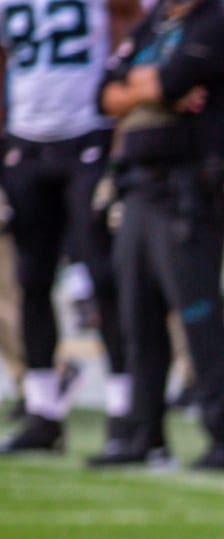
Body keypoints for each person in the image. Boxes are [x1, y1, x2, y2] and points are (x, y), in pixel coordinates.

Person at [88, 0, 224, 470]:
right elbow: (104, 94)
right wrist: (149, 90)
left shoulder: (215, 24)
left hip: (189, 191)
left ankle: (223, 440)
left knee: (199, 317)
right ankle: (145, 434)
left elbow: (165, 82)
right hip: (139, 187)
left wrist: (144, 87)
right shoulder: (153, 23)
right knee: (137, 316)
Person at [0, 0, 138, 455]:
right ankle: (44, 410)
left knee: (101, 276)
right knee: (32, 279)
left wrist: (119, 128)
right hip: (26, 139)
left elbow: (128, 32)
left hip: (87, 134)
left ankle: (125, 406)